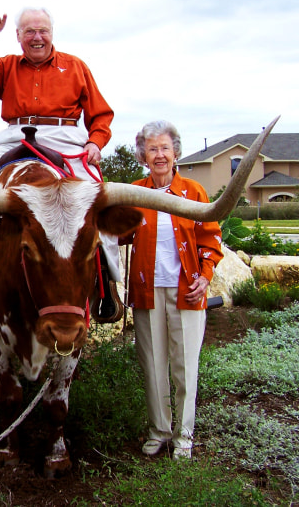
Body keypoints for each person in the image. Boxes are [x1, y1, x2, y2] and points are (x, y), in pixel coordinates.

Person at [0, 7, 122, 320]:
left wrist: (95, 142)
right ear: (18, 36)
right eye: (29, 31)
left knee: (98, 200)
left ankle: (109, 284)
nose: (36, 37)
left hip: (64, 137)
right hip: (15, 136)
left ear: (52, 33)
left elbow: (101, 114)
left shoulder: (75, 67)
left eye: (42, 31)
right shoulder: (7, 66)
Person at [122, 120, 223, 460]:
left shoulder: (194, 191)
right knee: (152, 365)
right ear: (143, 156)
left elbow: (211, 238)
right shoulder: (135, 191)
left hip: (187, 294)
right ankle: (158, 431)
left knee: (184, 366)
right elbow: (116, 233)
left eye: (165, 148)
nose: (160, 155)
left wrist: (205, 277)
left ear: (176, 152)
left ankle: (184, 435)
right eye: (152, 149)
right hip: (147, 292)